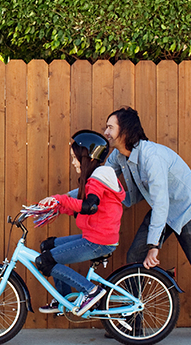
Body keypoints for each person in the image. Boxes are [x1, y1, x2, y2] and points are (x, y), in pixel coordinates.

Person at [103, 107, 191, 340]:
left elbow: (161, 204)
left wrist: (154, 247)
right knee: (133, 258)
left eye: (110, 127)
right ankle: (131, 322)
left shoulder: (152, 158)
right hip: (162, 211)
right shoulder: (118, 156)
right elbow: (102, 182)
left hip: (187, 211)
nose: (106, 132)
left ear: (125, 131)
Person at [35, 130, 126, 316]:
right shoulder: (95, 178)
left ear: (86, 157)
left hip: (99, 240)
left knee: (45, 261)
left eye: (75, 158)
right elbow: (80, 207)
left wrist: (61, 200)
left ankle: (91, 291)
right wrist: (55, 207)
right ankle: (63, 299)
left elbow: (89, 206)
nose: (73, 162)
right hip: (93, 236)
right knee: (47, 247)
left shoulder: (99, 177)